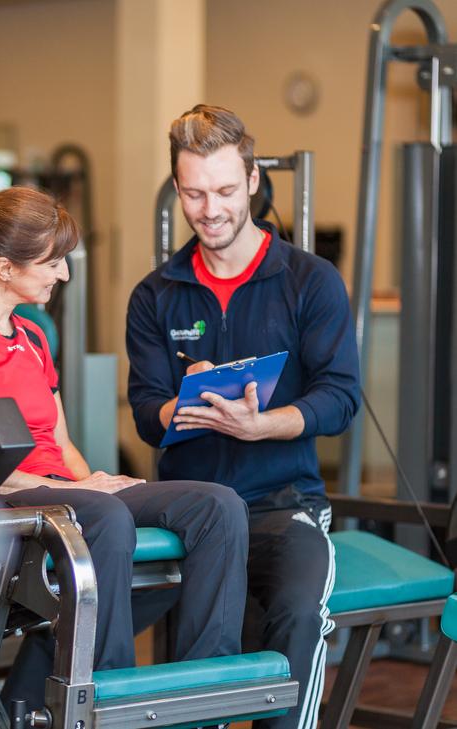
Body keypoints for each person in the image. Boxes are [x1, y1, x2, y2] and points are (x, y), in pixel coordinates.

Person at [0, 185, 249, 710]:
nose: (63, 274)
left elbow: (62, 444)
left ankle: (205, 696)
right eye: (53, 262)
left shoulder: (33, 338)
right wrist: (85, 495)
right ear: (5, 267)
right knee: (107, 518)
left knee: (217, 507)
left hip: (59, 495)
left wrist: (94, 482)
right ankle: (107, 702)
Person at [126, 105, 361, 729]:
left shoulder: (311, 282)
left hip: (284, 504)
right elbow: (147, 411)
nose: (211, 210)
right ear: (178, 187)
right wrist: (186, 401)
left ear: (253, 181)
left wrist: (265, 424)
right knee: (181, 647)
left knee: (297, 616)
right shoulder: (155, 295)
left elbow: (341, 398)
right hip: (193, 513)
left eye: (226, 191)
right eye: (195, 194)